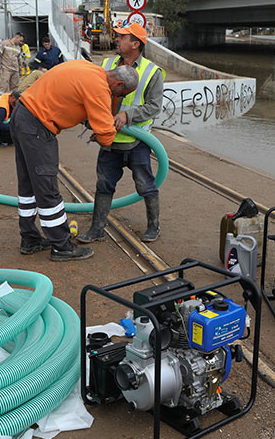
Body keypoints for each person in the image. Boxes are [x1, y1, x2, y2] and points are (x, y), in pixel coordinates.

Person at [11, 61, 138, 261]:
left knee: (29, 186)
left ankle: (30, 239)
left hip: (23, 115)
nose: (117, 97)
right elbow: (106, 134)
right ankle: (61, 246)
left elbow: (69, 98)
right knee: (47, 187)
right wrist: (103, 132)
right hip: (38, 126)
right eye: (120, 94)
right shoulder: (99, 88)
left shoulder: (89, 69)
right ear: (119, 84)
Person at [76, 22, 164, 244]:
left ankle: (154, 226)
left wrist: (128, 116)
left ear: (135, 44)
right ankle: (97, 229)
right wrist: (94, 125)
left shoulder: (152, 72)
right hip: (110, 141)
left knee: (145, 184)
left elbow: (154, 106)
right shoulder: (106, 65)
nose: (117, 39)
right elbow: (94, 97)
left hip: (137, 142)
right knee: (104, 184)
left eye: (122, 37)